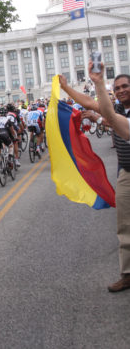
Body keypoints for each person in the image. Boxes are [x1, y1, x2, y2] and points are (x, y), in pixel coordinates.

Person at [59, 69, 130, 292]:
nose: (121, 91)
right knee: (124, 226)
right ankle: (127, 273)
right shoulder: (117, 107)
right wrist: (65, 88)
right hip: (126, 172)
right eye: (117, 88)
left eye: (125, 86)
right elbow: (92, 103)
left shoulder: (117, 112)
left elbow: (114, 120)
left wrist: (98, 84)